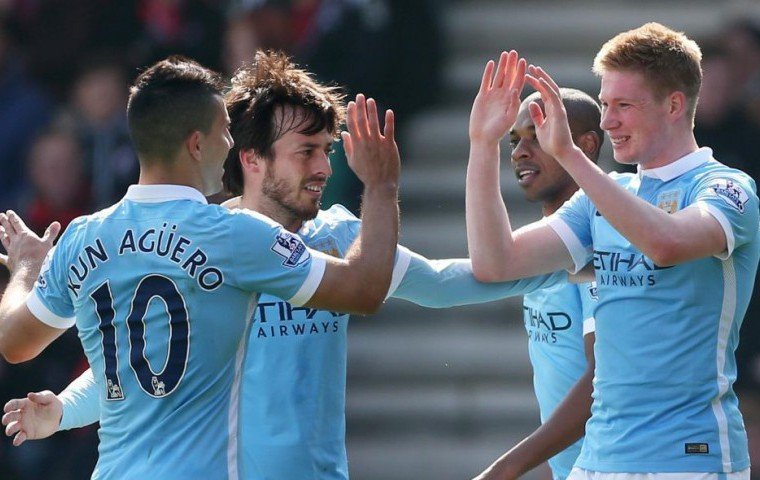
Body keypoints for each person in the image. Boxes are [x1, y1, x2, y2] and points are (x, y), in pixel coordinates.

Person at [2, 51, 568, 480]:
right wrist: (67, 410)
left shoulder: (339, 237)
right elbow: (145, 364)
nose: (324, 167)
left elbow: (441, 283)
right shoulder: (226, 242)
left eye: (328, 149)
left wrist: (566, 261)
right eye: (306, 151)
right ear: (249, 158)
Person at [467, 24, 759, 480]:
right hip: (599, 460)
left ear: (674, 105)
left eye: (624, 105)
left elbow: (666, 244)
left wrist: (570, 156)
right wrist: (482, 145)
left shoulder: (726, 187)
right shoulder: (602, 197)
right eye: (604, 105)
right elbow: (495, 262)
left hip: (687, 458)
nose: (606, 122)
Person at [472, 87, 601, 480]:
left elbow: (604, 378)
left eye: (537, 136)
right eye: (514, 141)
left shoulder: (599, 236)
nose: (519, 153)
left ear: (586, 145)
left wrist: (504, 469)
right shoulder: (542, 245)